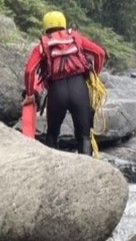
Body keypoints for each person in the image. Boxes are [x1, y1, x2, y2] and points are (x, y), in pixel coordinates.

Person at [23, 11, 107, 156]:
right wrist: (94, 75)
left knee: (52, 134)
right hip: (79, 89)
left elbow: (30, 71)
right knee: (84, 136)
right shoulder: (76, 38)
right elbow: (100, 53)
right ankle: (87, 170)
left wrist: (30, 94)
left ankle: (52, 169)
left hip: (57, 92)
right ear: (63, 24)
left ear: (45, 27)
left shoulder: (43, 45)